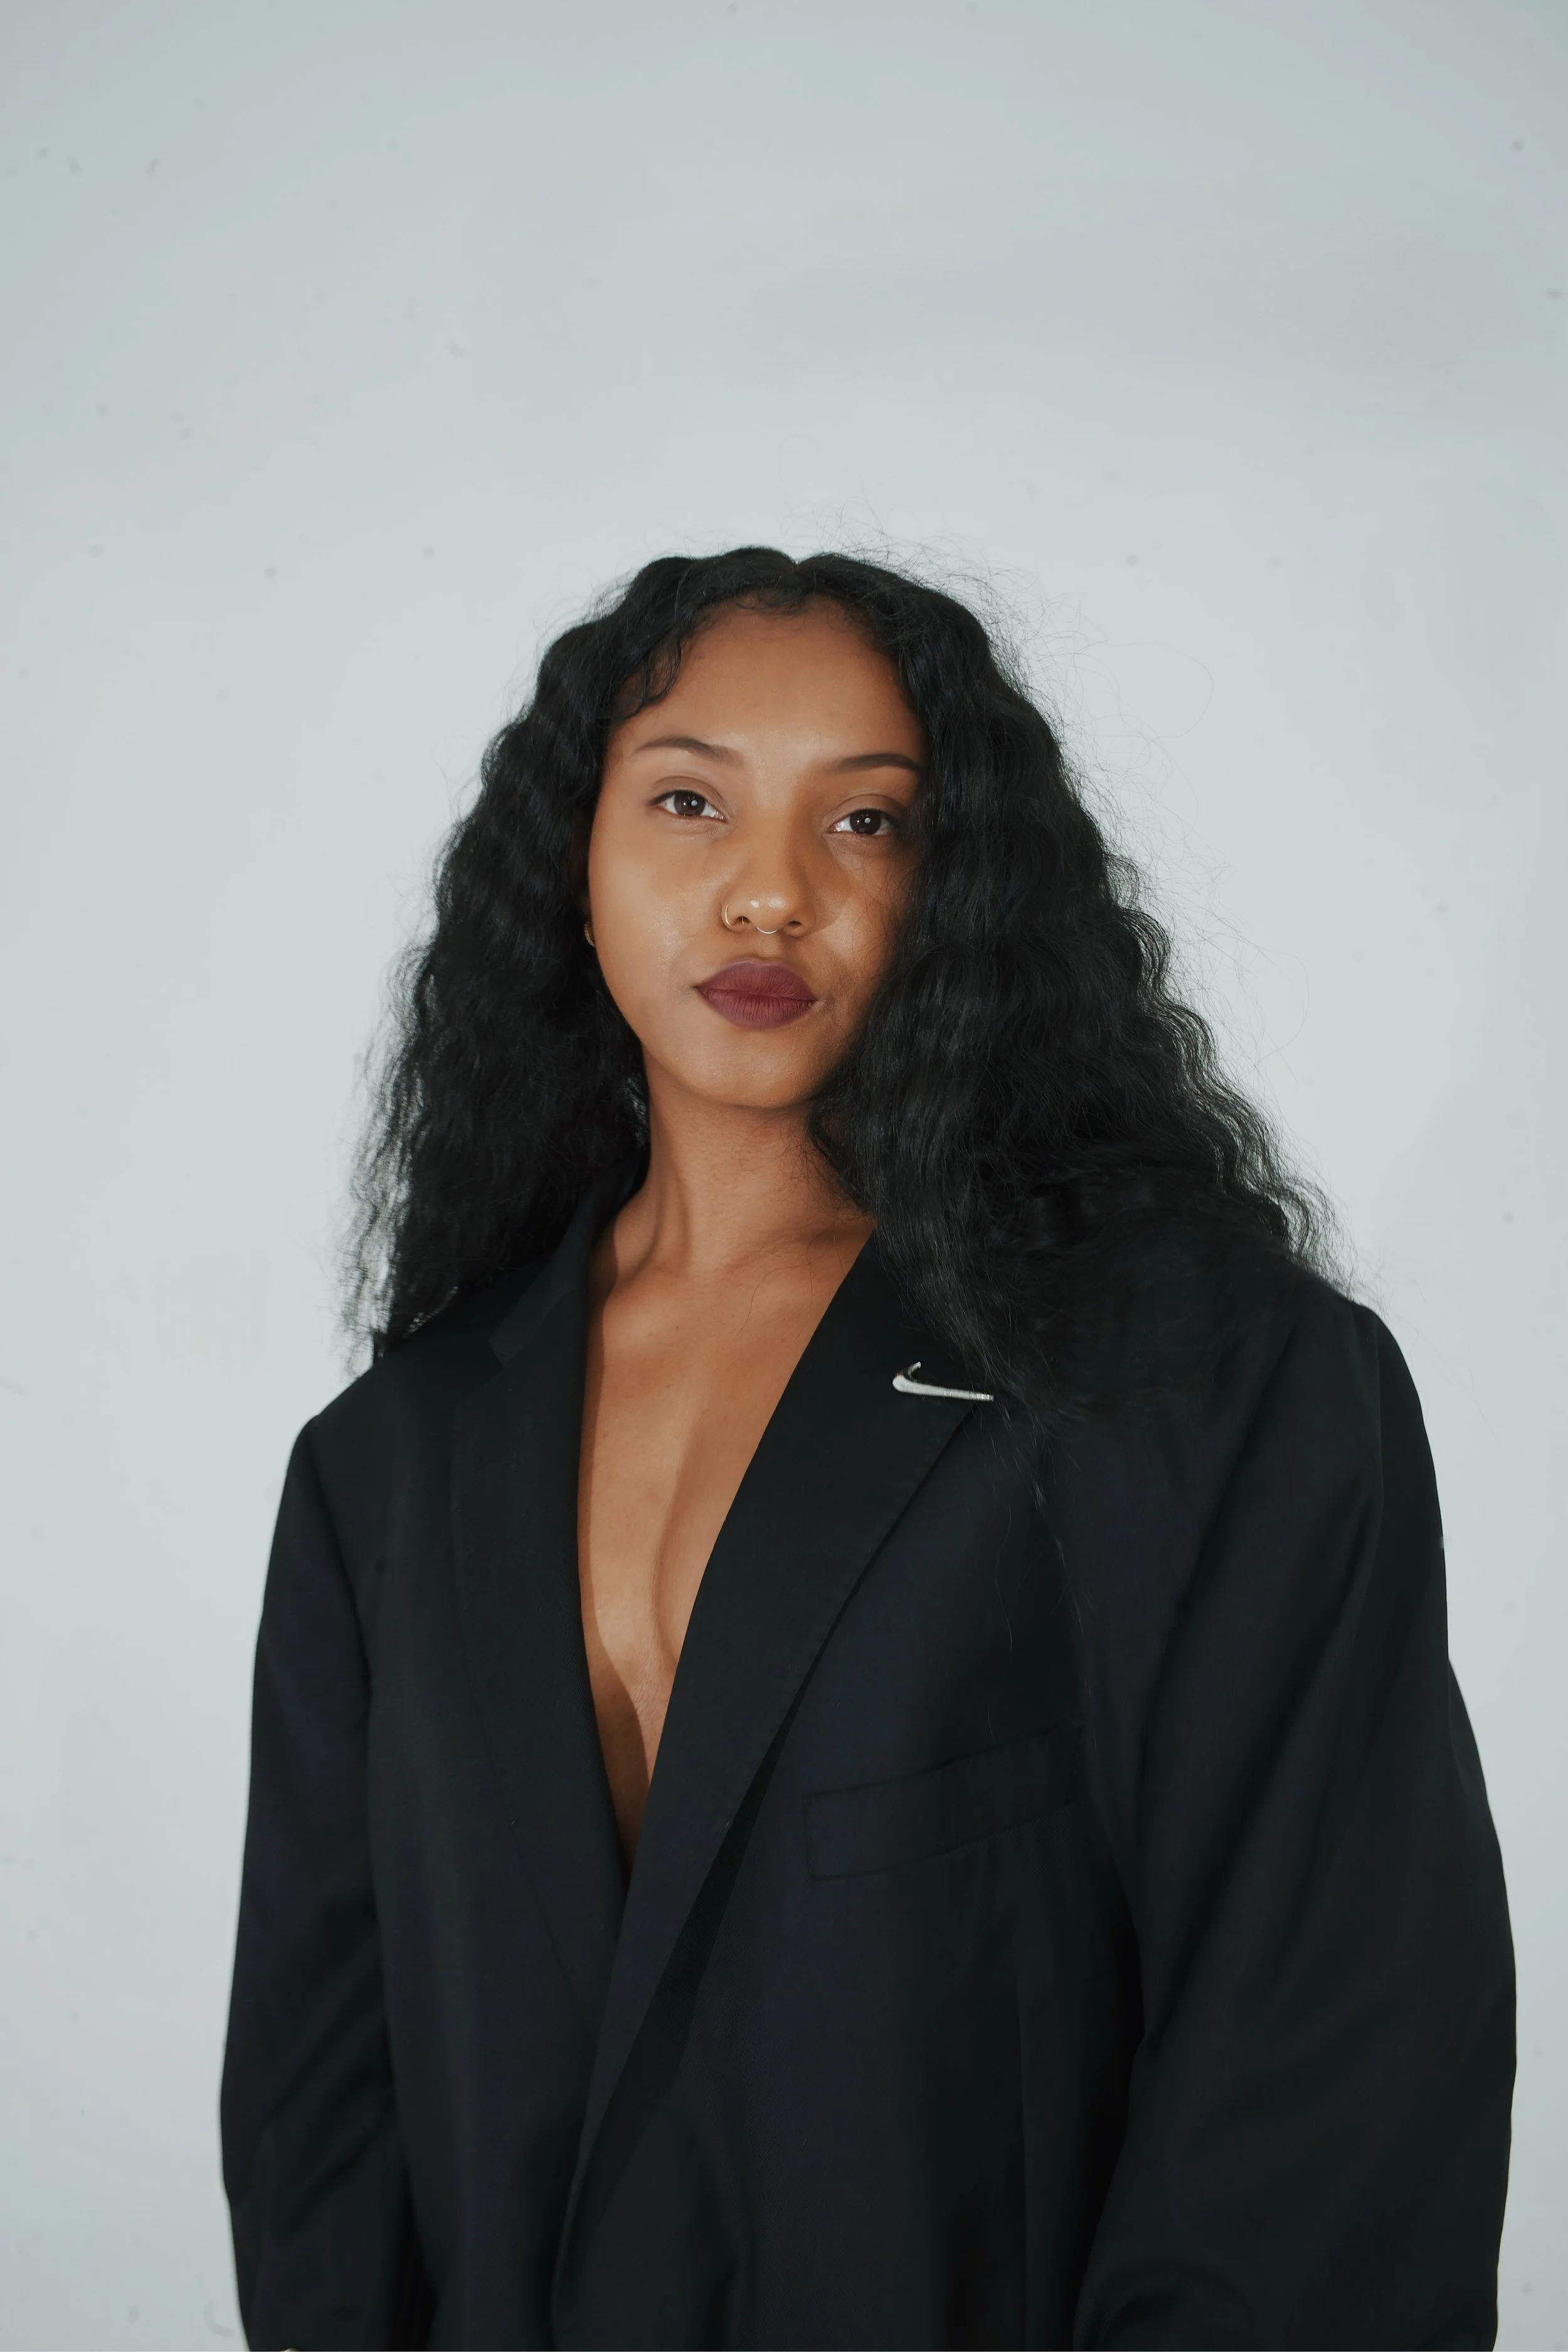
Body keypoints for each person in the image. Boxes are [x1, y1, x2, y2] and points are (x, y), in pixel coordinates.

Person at [220, 548, 1514, 2350]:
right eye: (689, 801)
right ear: (571, 869)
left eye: (869, 822)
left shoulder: (1195, 1381)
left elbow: (1328, 2074)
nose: (770, 891)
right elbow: (319, 2129)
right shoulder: (391, 1460)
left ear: (959, 888)